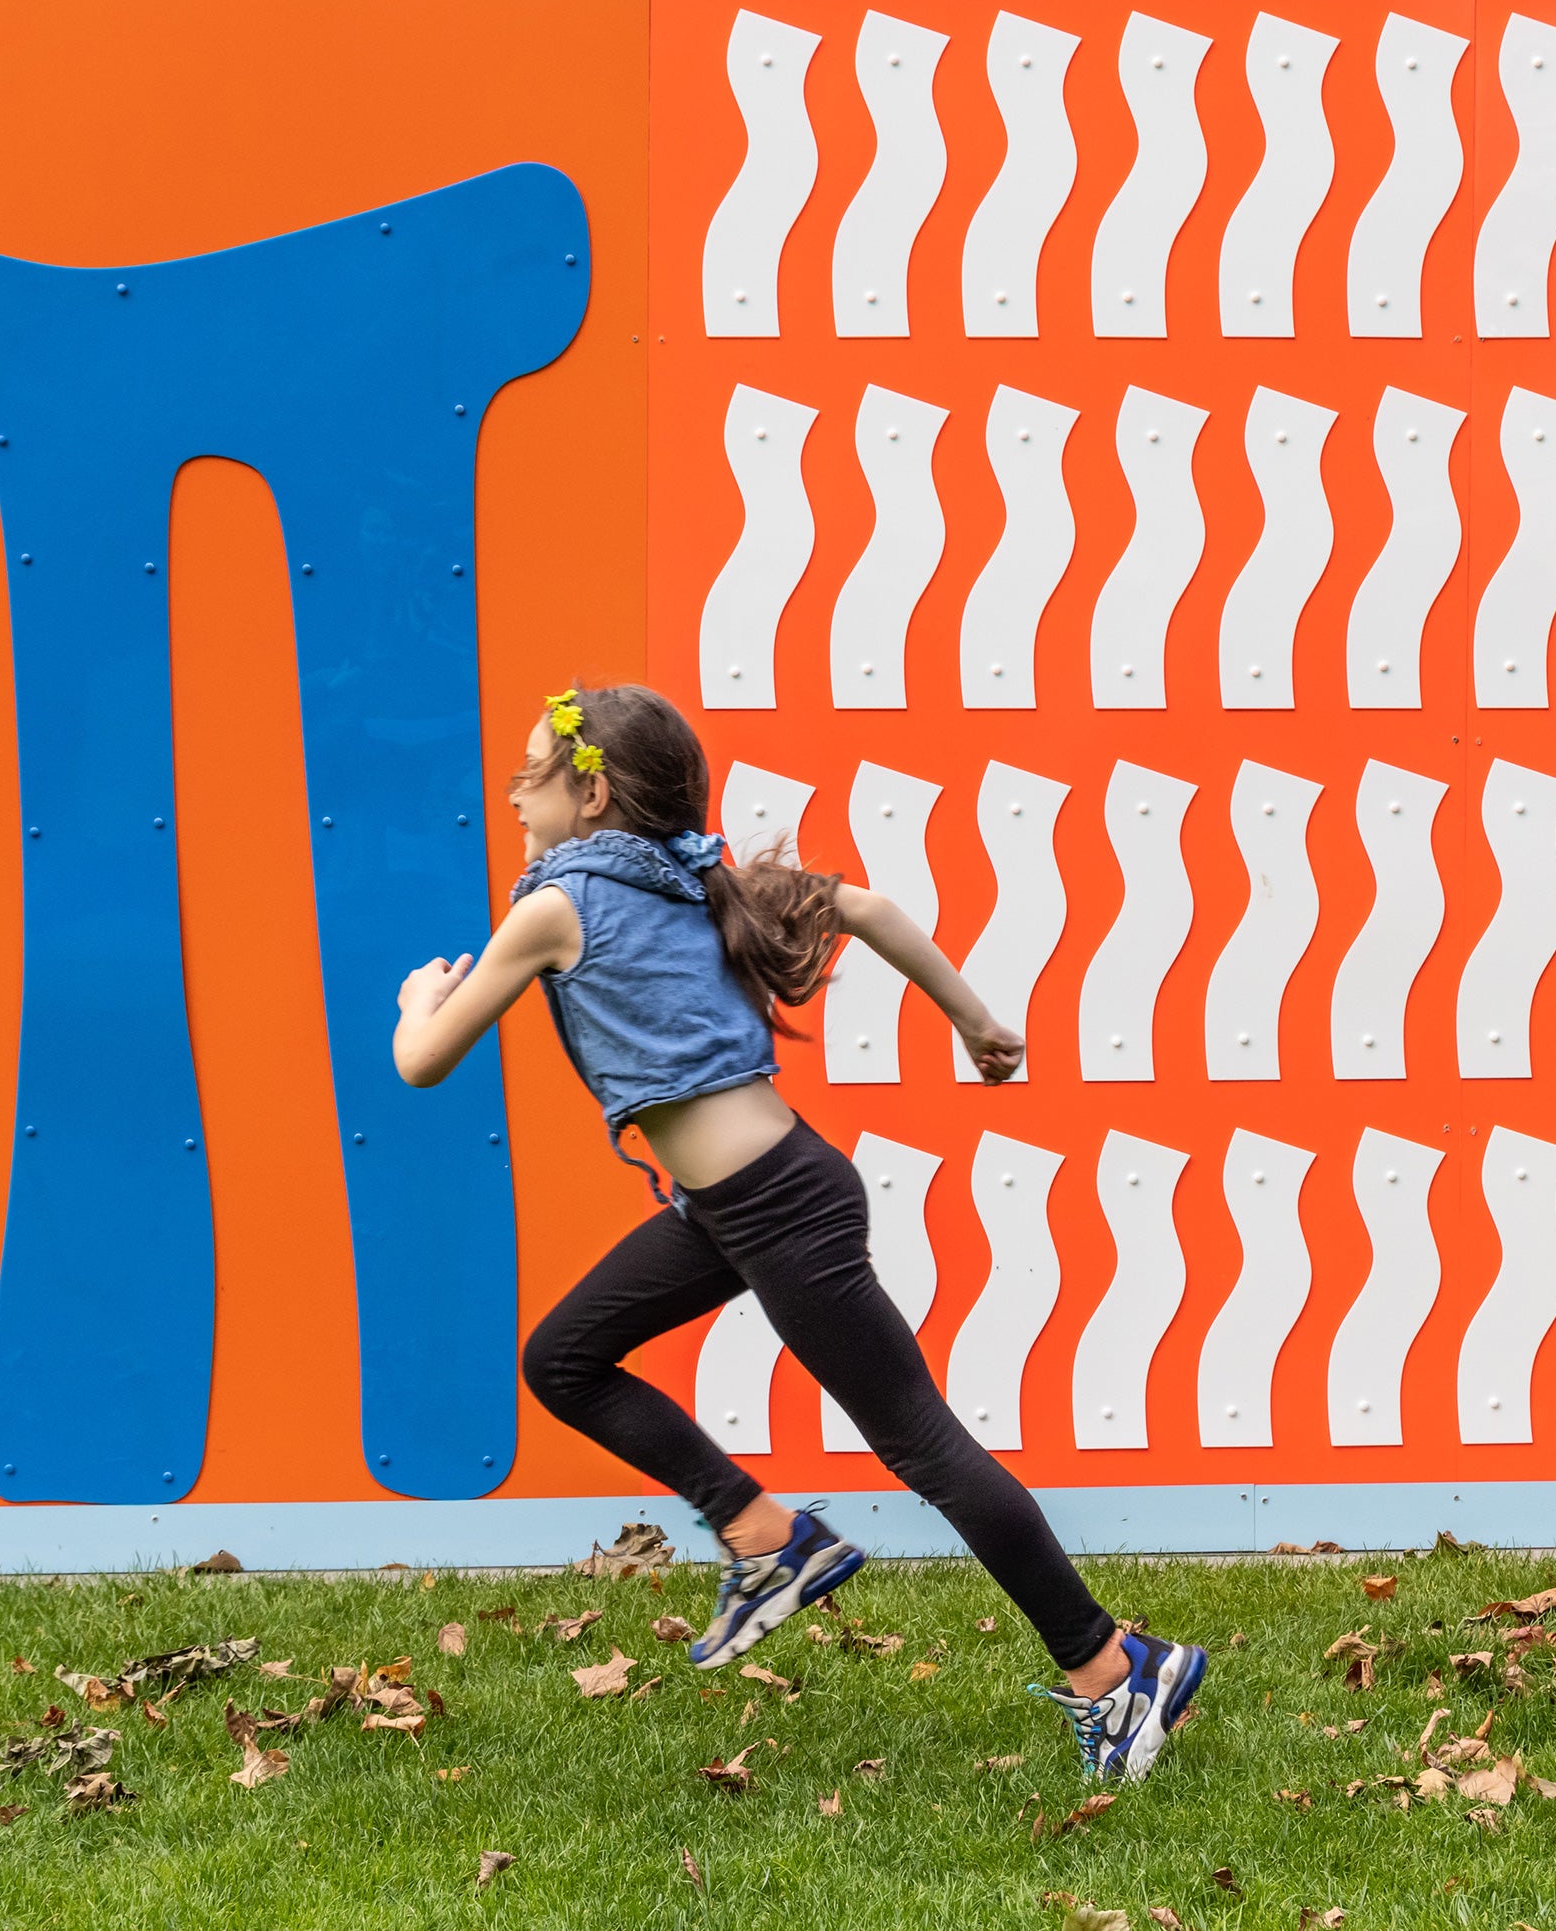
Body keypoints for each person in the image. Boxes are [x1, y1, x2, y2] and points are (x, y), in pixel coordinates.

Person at [390, 682, 1207, 1780]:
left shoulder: (556, 906)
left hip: (780, 1205)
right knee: (563, 1356)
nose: (510, 787)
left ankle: (1114, 1668)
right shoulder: (696, 876)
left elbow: (424, 1059)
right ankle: (767, 1536)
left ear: (588, 791)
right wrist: (978, 1024)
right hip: (742, 1204)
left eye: (531, 767)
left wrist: (413, 998)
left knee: (924, 1444)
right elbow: (864, 908)